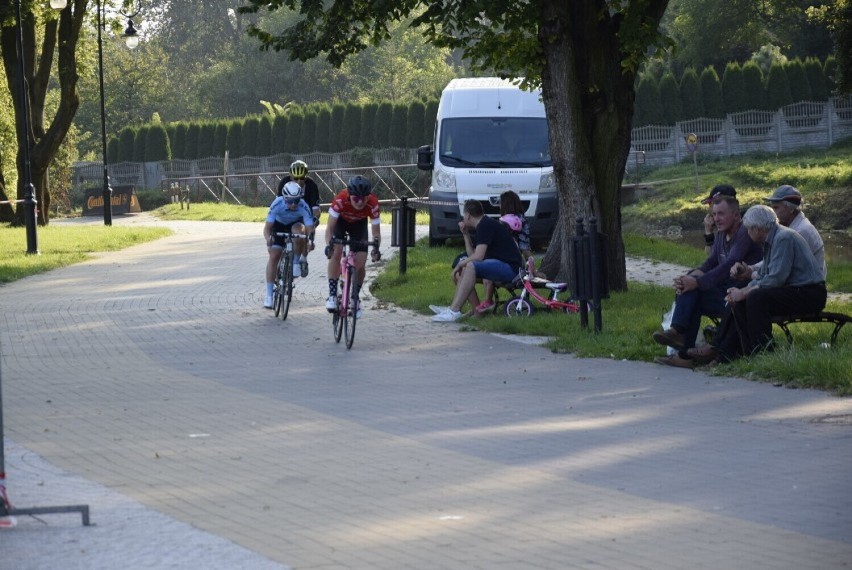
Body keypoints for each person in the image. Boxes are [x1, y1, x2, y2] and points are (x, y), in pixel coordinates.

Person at [686, 205, 826, 363]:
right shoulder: (772, 238)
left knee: (755, 297)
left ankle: (761, 351)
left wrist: (745, 291)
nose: (747, 233)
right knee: (741, 299)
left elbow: (776, 278)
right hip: (795, 290)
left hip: (810, 293)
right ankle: (726, 353)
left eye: (748, 229)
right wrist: (746, 279)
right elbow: (766, 271)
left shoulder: (784, 238)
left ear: (757, 229)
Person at [653, 194, 763, 368]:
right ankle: (680, 339)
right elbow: (710, 263)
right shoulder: (721, 234)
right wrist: (689, 277)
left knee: (695, 288)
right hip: (725, 292)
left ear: (736, 215)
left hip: (743, 295)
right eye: (714, 214)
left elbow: (729, 264)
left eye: (721, 214)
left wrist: (697, 282)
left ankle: (681, 339)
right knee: (691, 288)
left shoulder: (744, 232)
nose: (716, 219)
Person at [432, 200, 524, 322]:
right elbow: (473, 255)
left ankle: (453, 311)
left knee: (469, 266)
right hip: (502, 266)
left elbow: (478, 257)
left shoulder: (485, 225)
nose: (463, 217)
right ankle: (474, 310)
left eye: (464, 214)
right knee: (464, 270)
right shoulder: (483, 224)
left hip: (511, 269)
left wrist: (460, 263)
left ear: (468, 215)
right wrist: (465, 234)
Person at [730, 185, 826, 281]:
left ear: (791, 209)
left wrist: (751, 274)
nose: (773, 212)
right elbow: (774, 259)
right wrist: (752, 268)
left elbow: (778, 270)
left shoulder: (801, 231)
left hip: (806, 287)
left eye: (776, 208)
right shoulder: (789, 228)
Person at [324, 175, 381, 315]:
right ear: (349, 195)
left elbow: (376, 233)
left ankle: (355, 297)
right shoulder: (340, 199)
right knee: (336, 254)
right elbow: (330, 228)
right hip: (340, 224)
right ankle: (332, 294)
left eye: (364, 198)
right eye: (356, 198)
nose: (360, 202)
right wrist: (328, 245)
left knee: (360, 263)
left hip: (359, 226)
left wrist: (376, 248)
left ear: (369, 196)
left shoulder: (373, 203)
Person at [262, 181, 315, 309]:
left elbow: (309, 228)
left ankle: (295, 261)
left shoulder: (303, 206)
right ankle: (269, 295)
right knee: (274, 256)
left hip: (295, 225)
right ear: (284, 198)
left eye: (296, 201)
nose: (293, 205)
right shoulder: (277, 204)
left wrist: (310, 241)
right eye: (289, 201)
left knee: (299, 231)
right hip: (279, 225)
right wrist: (268, 239)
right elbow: (267, 227)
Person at [277, 160, 321, 276]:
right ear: (290, 176)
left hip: (304, 214)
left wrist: (314, 221)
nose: (299, 181)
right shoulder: (284, 183)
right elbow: (279, 203)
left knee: (305, 234)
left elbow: (316, 210)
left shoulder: (312, 186)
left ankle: (303, 259)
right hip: (287, 213)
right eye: (295, 178)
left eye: (302, 178)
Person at [700, 184, 737, 254]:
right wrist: (708, 232)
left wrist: (709, 233)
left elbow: (718, 259)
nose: (710, 209)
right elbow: (711, 257)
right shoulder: (723, 230)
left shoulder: (740, 230)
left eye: (712, 204)